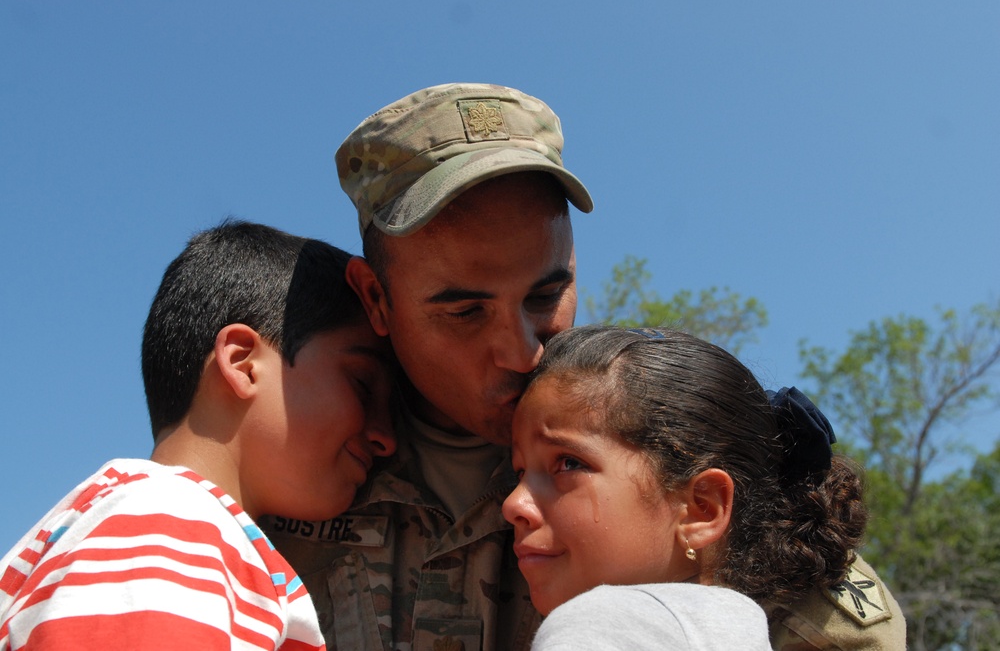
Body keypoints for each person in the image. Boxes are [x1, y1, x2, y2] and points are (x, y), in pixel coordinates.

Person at [263, 82, 905, 651]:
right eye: (464, 311)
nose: (522, 353)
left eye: (546, 296)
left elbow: (856, 633)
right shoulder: (302, 457)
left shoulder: (645, 431)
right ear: (376, 297)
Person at [0, 221, 397, 650]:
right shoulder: (165, 522)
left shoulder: (172, 526)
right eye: (361, 383)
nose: (386, 436)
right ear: (243, 363)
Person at [502, 325, 906, 650]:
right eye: (520, 473)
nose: (513, 504)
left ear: (702, 509)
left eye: (569, 463)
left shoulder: (605, 626)